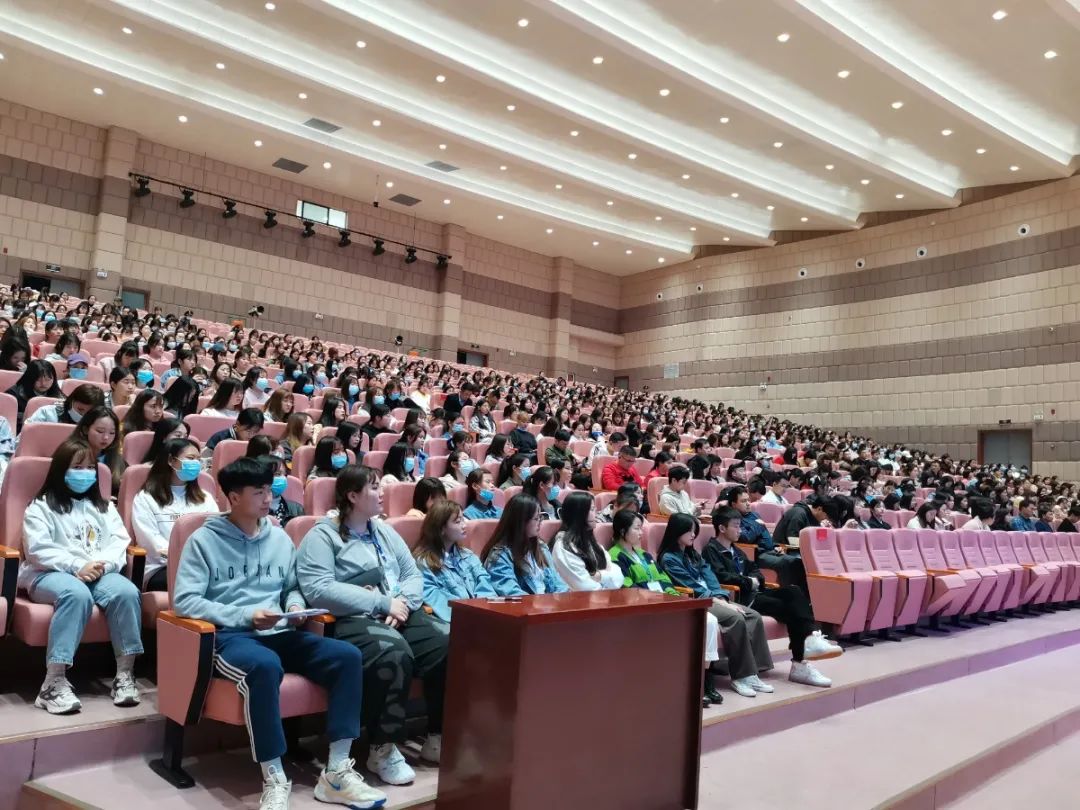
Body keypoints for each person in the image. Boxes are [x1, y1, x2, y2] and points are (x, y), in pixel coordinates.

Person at [173, 458, 385, 809]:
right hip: (230, 636)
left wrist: (295, 607)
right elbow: (185, 601)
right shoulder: (203, 541)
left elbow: (292, 588)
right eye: (258, 493)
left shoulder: (279, 537)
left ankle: (336, 773)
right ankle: (274, 777)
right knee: (264, 665)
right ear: (234, 497)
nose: (268, 499)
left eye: (269, 491)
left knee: (347, 656)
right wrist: (245, 615)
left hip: (280, 631)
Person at [297, 465, 448, 784]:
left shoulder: (384, 531)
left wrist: (403, 601)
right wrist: (380, 602)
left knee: (448, 642)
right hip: (351, 618)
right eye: (375, 488)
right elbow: (318, 589)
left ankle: (436, 735)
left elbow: (412, 574)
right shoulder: (322, 535)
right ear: (353, 496)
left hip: (399, 609)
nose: (383, 494)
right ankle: (382, 748)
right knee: (392, 652)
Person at [19, 438, 142, 714]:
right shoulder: (41, 506)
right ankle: (53, 684)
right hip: (48, 573)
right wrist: (77, 565)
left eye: (89, 467)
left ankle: (124, 675)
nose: (85, 473)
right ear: (61, 470)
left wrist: (103, 565)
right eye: (77, 467)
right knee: (76, 594)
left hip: (98, 571)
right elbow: (38, 549)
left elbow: (119, 541)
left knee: (126, 592)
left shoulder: (104, 506)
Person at [705, 508, 838, 687]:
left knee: (793, 591)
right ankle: (800, 662)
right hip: (741, 598)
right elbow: (721, 577)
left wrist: (754, 580)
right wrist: (748, 581)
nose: (740, 530)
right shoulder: (711, 551)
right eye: (736, 526)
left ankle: (811, 639)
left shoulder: (737, 550)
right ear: (722, 528)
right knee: (791, 610)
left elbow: (755, 570)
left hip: (755, 591)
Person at [607, 509, 724, 706]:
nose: (641, 533)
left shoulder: (645, 555)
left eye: (641, 528)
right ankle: (687, 685)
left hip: (665, 602)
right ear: (622, 530)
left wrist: (676, 598)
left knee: (709, 620)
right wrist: (657, 599)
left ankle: (705, 679)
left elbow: (664, 581)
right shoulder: (615, 556)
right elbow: (628, 587)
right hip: (646, 606)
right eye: (637, 528)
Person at [657, 513, 776, 699]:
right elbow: (691, 587)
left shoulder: (693, 554)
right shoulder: (669, 558)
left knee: (753, 615)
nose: (693, 535)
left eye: (695, 531)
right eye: (689, 531)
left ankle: (754, 672)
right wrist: (719, 600)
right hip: (697, 600)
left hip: (714, 597)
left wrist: (720, 596)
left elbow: (710, 576)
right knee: (735, 618)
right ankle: (741, 677)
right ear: (677, 531)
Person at [131, 437, 218, 591]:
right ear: (171, 460)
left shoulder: (205, 498)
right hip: (161, 567)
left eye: (198, 459)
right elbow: (150, 541)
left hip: (201, 565)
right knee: (197, 582)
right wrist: (185, 558)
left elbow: (215, 533)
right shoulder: (146, 498)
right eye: (190, 458)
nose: (196, 464)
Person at [414, 499, 497, 620]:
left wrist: (485, 611)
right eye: (458, 521)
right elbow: (439, 602)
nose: (464, 525)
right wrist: (474, 614)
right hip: (456, 621)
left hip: (483, 617)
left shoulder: (468, 555)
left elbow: (484, 584)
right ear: (441, 528)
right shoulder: (423, 563)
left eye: (463, 519)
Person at [482, 493, 569, 595]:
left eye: (540, 517)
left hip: (548, 602)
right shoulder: (500, 556)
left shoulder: (541, 547)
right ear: (521, 521)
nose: (540, 521)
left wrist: (562, 600)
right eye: (536, 518)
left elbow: (558, 583)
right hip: (528, 604)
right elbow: (512, 593)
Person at [549, 491, 622, 590]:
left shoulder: (591, 542)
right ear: (578, 514)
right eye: (592, 509)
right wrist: (608, 578)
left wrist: (599, 576)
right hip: (580, 599)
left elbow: (619, 576)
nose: (596, 513)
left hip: (604, 596)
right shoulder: (563, 547)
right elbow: (585, 588)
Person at [74, 406, 124, 496]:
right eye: (100, 431)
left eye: (112, 433)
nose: (106, 437)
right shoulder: (71, 455)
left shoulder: (118, 460)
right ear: (85, 430)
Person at [6, 359, 62, 428]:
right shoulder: (13, 394)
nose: (43, 383)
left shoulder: (59, 396)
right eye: (38, 379)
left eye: (47, 379)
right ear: (30, 378)